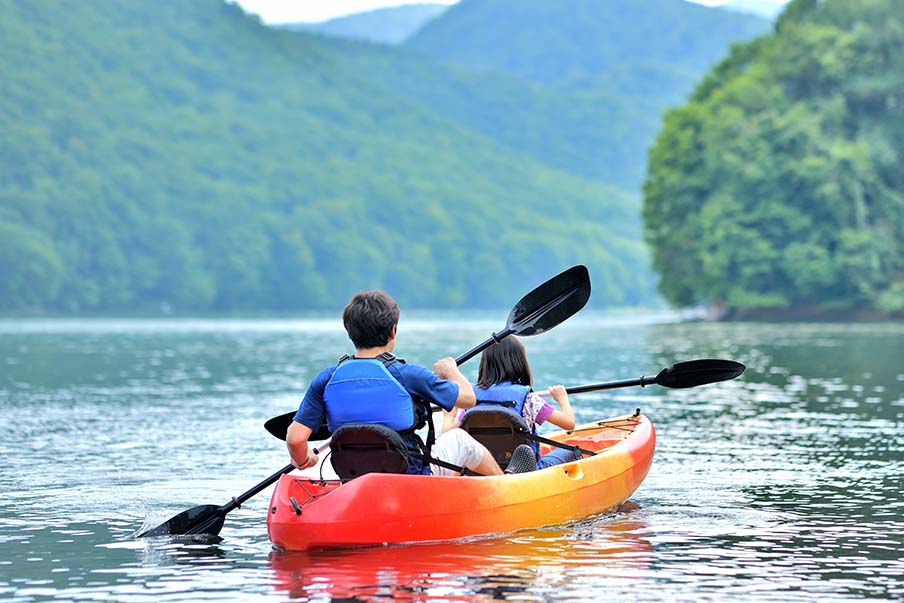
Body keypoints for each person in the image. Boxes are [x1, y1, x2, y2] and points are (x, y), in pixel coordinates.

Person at [286, 290, 505, 477]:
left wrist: (305, 461)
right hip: (410, 476)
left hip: (352, 477)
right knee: (460, 439)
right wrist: (452, 372)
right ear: (393, 331)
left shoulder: (326, 379)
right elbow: (468, 399)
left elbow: (295, 439)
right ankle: (505, 487)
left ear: (350, 332)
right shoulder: (409, 375)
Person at [443, 335, 579, 470]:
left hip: (483, 469)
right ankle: (515, 469)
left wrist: (448, 417)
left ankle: (496, 469)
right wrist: (562, 398)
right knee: (571, 450)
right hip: (529, 470)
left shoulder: (470, 398)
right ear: (519, 362)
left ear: (485, 364)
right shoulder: (528, 399)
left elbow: (447, 435)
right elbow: (569, 424)